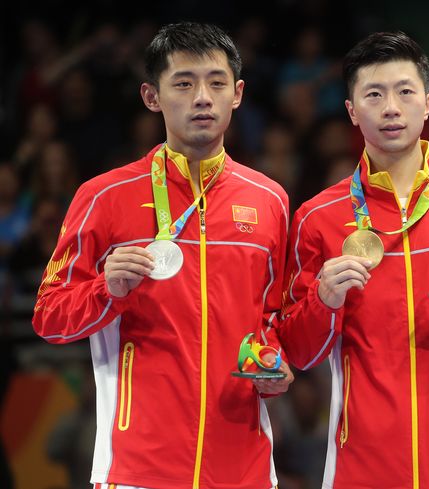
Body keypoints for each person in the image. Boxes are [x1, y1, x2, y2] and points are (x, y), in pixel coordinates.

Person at [32, 22, 293, 489]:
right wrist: (105, 290)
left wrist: (273, 360)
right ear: (152, 97)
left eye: (216, 83)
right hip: (137, 465)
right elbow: (49, 316)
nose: (202, 97)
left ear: (237, 94)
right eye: (184, 83)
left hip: (245, 466)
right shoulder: (104, 196)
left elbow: (273, 314)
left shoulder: (270, 200)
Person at [275, 31, 429, 488]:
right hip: (361, 468)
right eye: (374, 94)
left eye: (405, 91)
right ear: (351, 111)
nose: (391, 107)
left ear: (427, 103)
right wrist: (323, 300)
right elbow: (299, 352)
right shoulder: (318, 218)